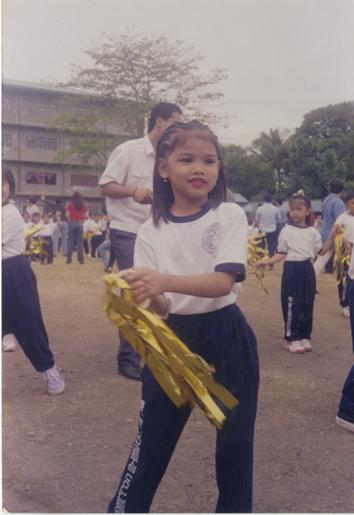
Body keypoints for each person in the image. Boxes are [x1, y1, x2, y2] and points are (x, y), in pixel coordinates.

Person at [107, 121, 259, 513]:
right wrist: (146, 295)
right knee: (152, 439)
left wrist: (163, 280)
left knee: (235, 443)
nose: (199, 168)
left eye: (209, 161)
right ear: (163, 168)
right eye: (187, 159)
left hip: (227, 336)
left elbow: (223, 282)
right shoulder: (150, 230)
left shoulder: (228, 215)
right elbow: (163, 305)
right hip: (171, 340)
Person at [99, 102, 183, 380]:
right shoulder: (128, 151)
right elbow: (106, 185)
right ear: (159, 122)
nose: (177, 129)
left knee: (162, 292)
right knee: (136, 292)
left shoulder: (170, 157)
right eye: (174, 122)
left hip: (158, 230)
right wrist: (133, 191)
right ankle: (129, 357)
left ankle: (154, 350)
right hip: (128, 230)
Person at [2, 167, 65, 395]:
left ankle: (49, 369)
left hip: (13, 272)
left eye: (3, 183)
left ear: (10, 187)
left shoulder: (10, 213)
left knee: (29, 324)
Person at [257, 193, 322, 354]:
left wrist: (334, 235)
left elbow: (318, 251)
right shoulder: (286, 231)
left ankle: (305, 335)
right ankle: (291, 337)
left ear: (307, 211)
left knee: (307, 303)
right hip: (292, 269)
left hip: (307, 268)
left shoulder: (313, 232)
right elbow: (281, 253)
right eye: (292, 209)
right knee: (292, 304)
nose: (295, 212)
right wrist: (266, 262)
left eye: (299, 209)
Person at [326, 191, 354, 317]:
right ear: (347, 203)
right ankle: (345, 304)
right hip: (346, 251)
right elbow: (334, 231)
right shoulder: (343, 217)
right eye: (353, 203)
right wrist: (326, 245)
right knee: (344, 278)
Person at [314, 178, 345, 277]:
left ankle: (310, 281)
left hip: (324, 232)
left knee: (321, 259)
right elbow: (342, 221)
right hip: (335, 236)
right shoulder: (338, 202)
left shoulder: (326, 200)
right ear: (341, 190)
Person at [255, 194, 280, 261]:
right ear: (271, 200)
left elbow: (257, 220)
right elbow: (279, 219)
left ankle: (261, 260)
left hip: (262, 229)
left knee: (261, 246)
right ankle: (271, 263)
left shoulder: (259, 209)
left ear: (264, 200)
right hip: (272, 230)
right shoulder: (275, 209)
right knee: (271, 246)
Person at [66, 191, 88, 264]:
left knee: (70, 242)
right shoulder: (84, 205)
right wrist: (81, 218)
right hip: (79, 223)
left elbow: (67, 215)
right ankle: (81, 260)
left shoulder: (70, 204)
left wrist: (71, 219)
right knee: (80, 243)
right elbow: (86, 216)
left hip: (71, 222)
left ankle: (69, 259)